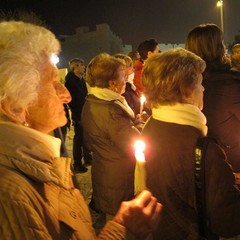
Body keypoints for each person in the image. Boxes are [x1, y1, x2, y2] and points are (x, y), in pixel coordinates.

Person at [0, 20, 162, 240]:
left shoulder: (43, 162)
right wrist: (123, 230)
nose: (66, 95)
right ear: (15, 107)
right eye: (52, 83)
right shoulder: (12, 197)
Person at [140, 47, 240, 239]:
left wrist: (223, 177)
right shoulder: (200, 147)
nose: (204, 89)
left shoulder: (153, 124)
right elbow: (227, 221)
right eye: (200, 84)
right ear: (186, 92)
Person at [81, 53, 149, 221]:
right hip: (118, 179)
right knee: (120, 226)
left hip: (105, 172)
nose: (125, 80)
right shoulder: (111, 110)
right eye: (122, 77)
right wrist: (140, 122)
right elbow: (133, 142)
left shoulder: (92, 101)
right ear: (112, 83)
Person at [185, 23, 240, 173]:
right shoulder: (229, 85)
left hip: (200, 164)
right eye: (221, 43)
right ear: (216, 49)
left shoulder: (185, 86)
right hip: (232, 165)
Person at [65, 58, 92, 173]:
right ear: (74, 67)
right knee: (79, 138)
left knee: (85, 136)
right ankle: (77, 163)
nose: (83, 67)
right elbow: (72, 101)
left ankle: (87, 157)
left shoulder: (80, 80)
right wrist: (77, 116)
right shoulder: (71, 82)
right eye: (81, 65)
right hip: (78, 114)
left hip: (84, 112)